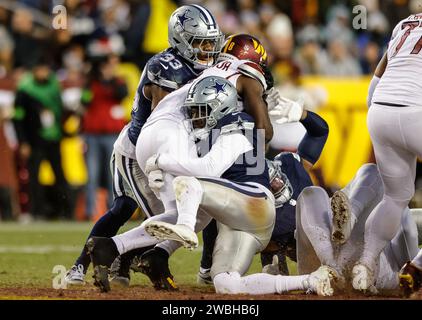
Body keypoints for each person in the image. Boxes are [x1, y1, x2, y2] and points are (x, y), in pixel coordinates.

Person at [87, 76, 335, 296]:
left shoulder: (235, 128)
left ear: (221, 108)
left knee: (190, 186)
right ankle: (310, 281)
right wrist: (162, 170)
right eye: (194, 111)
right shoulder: (212, 133)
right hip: (243, 221)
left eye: (201, 110)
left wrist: (161, 162)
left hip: (254, 201)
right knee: (227, 284)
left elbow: (208, 169)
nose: (196, 117)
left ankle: (184, 230)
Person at [64, 4, 224, 286]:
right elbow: (162, 123)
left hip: (173, 151)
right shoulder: (166, 66)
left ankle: (124, 264)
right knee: (131, 209)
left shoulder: (203, 67)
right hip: (141, 151)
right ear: (180, 39)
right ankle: (81, 265)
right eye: (199, 42)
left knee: (199, 203)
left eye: (210, 43)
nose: (206, 50)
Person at [197, 98, 329, 282]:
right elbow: (213, 216)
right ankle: (274, 261)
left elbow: (320, 132)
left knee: (328, 265)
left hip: (303, 232)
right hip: (268, 233)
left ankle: (277, 260)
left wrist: (303, 114)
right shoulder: (239, 184)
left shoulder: (290, 164)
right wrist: (206, 263)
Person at [351, 13, 422, 292]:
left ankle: (366, 264)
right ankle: (417, 266)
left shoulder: (405, 23)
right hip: (415, 111)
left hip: (380, 111)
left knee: (396, 197)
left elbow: (374, 84)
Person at [293, 164, 420, 295]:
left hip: (318, 264)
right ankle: (361, 261)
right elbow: (411, 262)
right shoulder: (397, 207)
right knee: (373, 174)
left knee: (311, 193)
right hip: (360, 268)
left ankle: (332, 267)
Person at [13, 57, 71, 219]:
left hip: (53, 138)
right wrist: (23, 141)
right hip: (34, 140)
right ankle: (37, 211)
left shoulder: (54, 87)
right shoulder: (24, 90)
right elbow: (18, 118)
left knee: (60, 175)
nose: (42, 73)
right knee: (34, 177)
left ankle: (66, 211)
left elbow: (61, 111)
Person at [81, 54, 128, 219]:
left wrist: (112, 79)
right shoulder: (91, 84)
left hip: (112, 134)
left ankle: (113, 210)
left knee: (112, 174)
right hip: (92, 134)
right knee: (92, 174)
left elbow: (122, 94)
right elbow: (84, 101)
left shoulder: (118, 82)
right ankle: (89, 211)